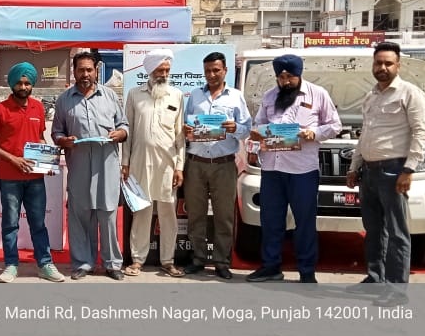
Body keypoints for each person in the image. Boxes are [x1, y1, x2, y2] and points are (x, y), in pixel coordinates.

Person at [345, 42, 425, 307]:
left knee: (397, 232)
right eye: (378, 63)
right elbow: (365, 136)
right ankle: (375, 277)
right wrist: (354, 167)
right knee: (373, 230)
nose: (382, 68)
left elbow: (421, 133)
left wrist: (409, 170)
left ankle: (396, 290)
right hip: (369, 172)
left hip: (394, 170)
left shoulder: (410, 94)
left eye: (387, 63)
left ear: (398, 65)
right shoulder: (371, 96)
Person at [245, 54, 342, 285]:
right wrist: (257, 133)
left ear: (299, 75)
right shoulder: (270, 96)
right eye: (281, 77)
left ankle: (307, 271)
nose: (285, 81)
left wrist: (314, 133)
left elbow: (335, 125)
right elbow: (258, 123)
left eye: (290, 77)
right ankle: (270, 267)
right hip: (272, 168)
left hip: (302, 171)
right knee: (270, 220)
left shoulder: (317, 94)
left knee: (305, 222)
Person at [0, 62, 65, 283]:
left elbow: (39, 138)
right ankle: (10, 265)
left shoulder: (38, 107)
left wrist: (48, 162)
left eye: (27, 83)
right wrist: (13, 159)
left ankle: (45, 264)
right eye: (19, 82)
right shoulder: (0, 109)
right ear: (12, 84)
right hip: (9, 177)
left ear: (32, 84)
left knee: (38, 222)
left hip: (35, 178)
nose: (23, 86)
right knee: (10, 223)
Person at [52, 51, 129, 280]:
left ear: (96, 71)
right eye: (80, 70)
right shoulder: (64, 100)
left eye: (89, 69)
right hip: (79, 165)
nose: (85, 74)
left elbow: (123, 124)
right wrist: (63, 140)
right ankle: (83, 263)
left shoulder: (110, 96)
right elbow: (56, 132)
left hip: (106, 164)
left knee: (107, 215)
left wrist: (121, 133)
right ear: (74, 72)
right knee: (80, 215)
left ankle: (112, 263)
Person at [182, 51, 252, 279]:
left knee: (224, 216)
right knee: (195, 215)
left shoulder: (236, 97)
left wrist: (236, 129)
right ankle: (198, 258)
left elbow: (247, 128)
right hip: (196, 164)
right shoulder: (194, 96)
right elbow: (185, 125)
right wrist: (188, 131)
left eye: (216, 70)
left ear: (225, 71)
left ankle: (222, 261)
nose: (211, 75)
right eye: (207, 71)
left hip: (223, 165)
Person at [121, 49, 185, 277]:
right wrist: (125, 163)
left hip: (168, 166)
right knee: (142, 212)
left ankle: (168, 260)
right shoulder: (134, 94)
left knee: (168, 213)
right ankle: (137, 260)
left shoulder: (176, 95)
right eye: (160, 70)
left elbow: (180, 136)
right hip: (139, 163)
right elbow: (127, 132)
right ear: (150, 71)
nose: (164, 74)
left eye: (167, 70)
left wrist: (180, 167)